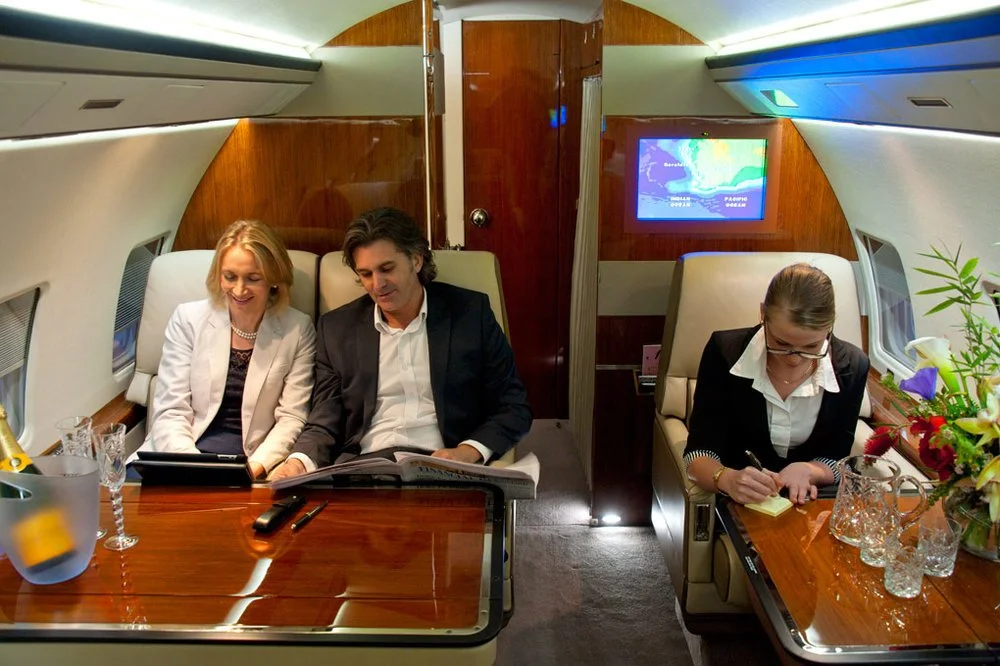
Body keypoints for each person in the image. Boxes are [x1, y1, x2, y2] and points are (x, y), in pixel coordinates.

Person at [271, 207, 531, 479]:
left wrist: (468, 451)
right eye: (366, 274)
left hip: (445, 466)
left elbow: (514, 407)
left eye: (387, 269)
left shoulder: (470, 314)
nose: (377, 284)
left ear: (416, 260)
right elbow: (325, 420)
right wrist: (298, 462)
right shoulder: (337, 329)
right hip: (365, 470)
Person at [139, 220, 316, 480]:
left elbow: (292, 417)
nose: (239, 290)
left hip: (253, 463)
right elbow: (171, 409)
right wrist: (193, 468)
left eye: (253, 278)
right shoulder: (187, 319)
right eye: (230, 277)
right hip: (181, 454)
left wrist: (254, 468)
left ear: (274, 279)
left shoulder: (298, 329)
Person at [683, 263, 869, 506]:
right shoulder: (725, 353)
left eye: (811, 347)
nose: (794, 359)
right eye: (782, 343)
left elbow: (838, 459)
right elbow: (698, 454)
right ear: (763, 314)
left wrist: (810, 471)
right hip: (739, 502)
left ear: (830, 327)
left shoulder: (853, 366)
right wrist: (726, 479)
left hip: (811, 504)